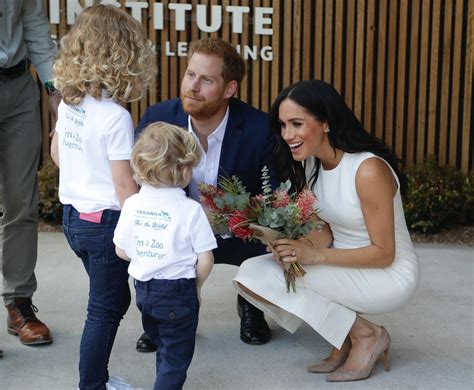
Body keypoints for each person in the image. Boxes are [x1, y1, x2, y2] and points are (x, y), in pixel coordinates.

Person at [233, 80, 420, 382]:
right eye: (282, 125)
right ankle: (347, 335)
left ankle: (366, 336)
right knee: (251, 274)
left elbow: (384, 254)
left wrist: (315, 257)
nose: (287, 135)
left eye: (297, 123)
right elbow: (324, 233)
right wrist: (289, 247)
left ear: (326, 123)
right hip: (341, 261)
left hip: (389, 273)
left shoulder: (368, 169)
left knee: (268, 278)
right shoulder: (313, 166)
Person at [134, 37, 276, 352]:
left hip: (240, 230)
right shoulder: (158, 119)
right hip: (177, 230)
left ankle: (251, 304)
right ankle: (163, 317)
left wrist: (249, 218)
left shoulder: (259, 127)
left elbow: (273, 194)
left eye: (206, 80)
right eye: (190, 75)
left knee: (270, 234)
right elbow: (138, 185)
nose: (193, 87)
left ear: (229, 89)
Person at [50, 5, 156, 389]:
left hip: (74, 221)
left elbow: (58, 156)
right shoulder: (114, 116)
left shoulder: (68, 103)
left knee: (110, 301)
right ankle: (93, 384)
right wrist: (146, 231)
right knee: (104, 309)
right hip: (106, 224)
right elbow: (125, 187)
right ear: (125, 54)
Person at [114, 122, 216, 390]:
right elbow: (206, 260)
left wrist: (145, 256)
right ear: (184, 171)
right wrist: (196, 286)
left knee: (163, 344)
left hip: (144, 292)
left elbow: (120, 250)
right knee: (176, 357)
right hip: (178, 292)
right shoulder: (190, 210)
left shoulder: (133, 204)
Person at [0, 0, 60, 349]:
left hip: (20, 87)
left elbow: (35, 27)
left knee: (22, 201)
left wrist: (53, 88)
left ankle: (19, 301)